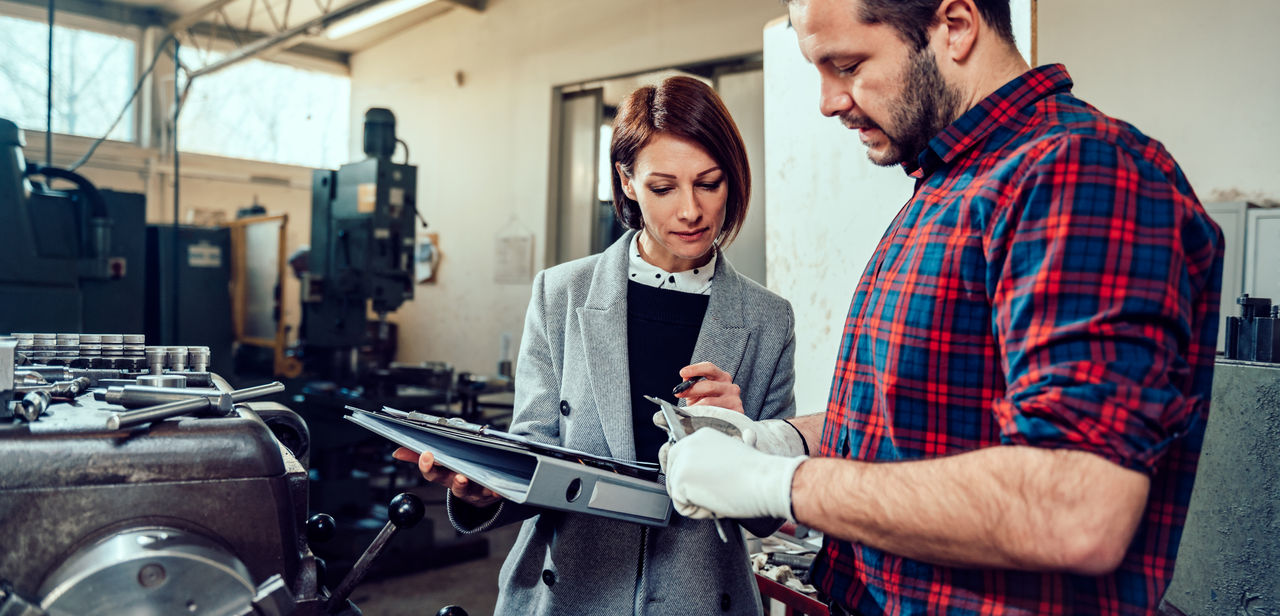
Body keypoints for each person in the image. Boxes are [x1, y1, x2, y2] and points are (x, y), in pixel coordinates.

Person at [658, 1, 1225, 614]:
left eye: (846, 65)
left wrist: (780, 485)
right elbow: (925, 422)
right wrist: (783, 442)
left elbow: (1075, 508)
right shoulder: (948, 184)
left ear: (954, 26)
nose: (827, 101)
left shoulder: (1079, 171)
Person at [394, 75, 798, 615]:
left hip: (700, 599)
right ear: (626, 182)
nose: (690, 211)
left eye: (710, 183)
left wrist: (745, 437)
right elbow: (532, 455)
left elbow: (771, 514)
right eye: (663, 187)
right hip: (568, 593)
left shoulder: (768, 319)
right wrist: (483, 486)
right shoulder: (560, 293)